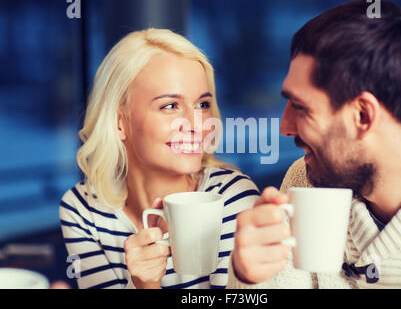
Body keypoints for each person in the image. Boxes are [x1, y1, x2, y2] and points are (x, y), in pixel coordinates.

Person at [228, 0, 401, 288]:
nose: (284, 127)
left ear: (362, 115)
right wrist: (251, 279)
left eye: (300, 107)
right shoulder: (305, 181)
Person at [59, 28, 260, 289]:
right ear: (119, 122)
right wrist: (144, 285)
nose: (196, 124)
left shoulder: (234, 197)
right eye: (170, 106)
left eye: (202, 104)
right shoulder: (81, 210)